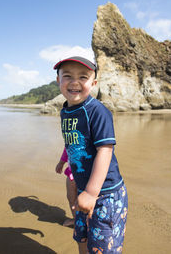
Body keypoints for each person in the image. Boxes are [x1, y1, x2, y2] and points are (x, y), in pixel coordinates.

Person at [54, 56, 128, 253]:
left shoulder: (97, 112)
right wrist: (64, 164)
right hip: (82, 190)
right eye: (67, 76)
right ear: (58, 80)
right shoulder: (66, 112)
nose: (75, 82)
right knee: (82, 239)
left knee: (101, 248)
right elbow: (72, 142)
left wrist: (92, 192)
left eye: (83, 77)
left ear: (93, 83)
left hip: (104, 193)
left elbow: (105, 150)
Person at [55, 147, 77, 227]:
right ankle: (76, 219)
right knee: (71, 197)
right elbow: (67, 147)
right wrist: (61, 163)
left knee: (83, 199)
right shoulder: (70, 135)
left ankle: (88, 222)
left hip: (87, 173)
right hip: (71, 172)